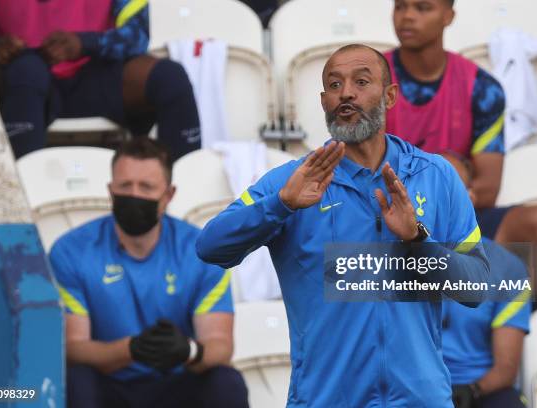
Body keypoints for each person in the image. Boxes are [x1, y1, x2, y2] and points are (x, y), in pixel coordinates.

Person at [197, 43, 490, 407]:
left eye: (361, 81)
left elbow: (477, 287)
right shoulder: (293, 182)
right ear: (323, 102)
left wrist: (418, 240)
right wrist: (280, 205)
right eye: (334, 85)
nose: (346, 93)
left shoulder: (437, 176)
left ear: (390, 96)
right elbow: (209, 247)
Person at [386, 0, 537, 301]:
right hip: (389, 214)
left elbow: (486, 190)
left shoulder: (481, 88)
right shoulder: (372, 81)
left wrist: (441, 186)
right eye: (400, 6)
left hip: (462, 213)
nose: (407, 16)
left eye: (422, 8)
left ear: (449, 16)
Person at [49, 138, 248, 408]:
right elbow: (73, 348)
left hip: (176, 384)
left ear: (168, 195)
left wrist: (187, 350)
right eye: (125, 186)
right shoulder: (71, 251)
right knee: (77, 380)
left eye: (146, 187)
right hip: (110, 385)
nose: (134, 195)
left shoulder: (203, 250)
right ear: (110, 191)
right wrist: (130, 350)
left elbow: (220, 345)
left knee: (226, 383)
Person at [0, 0, 201, 160]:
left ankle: (181, 197)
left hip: (91, 72)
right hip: (20, 83)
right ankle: (19, 204)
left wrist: (86, 43)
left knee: (170, 77)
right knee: (28, 69)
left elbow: (138, 34)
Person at [445, 239, 531, 408]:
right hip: (408, 386)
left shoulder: (507, 265)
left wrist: (473, 390)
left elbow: (506, 368)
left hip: (477, 389)